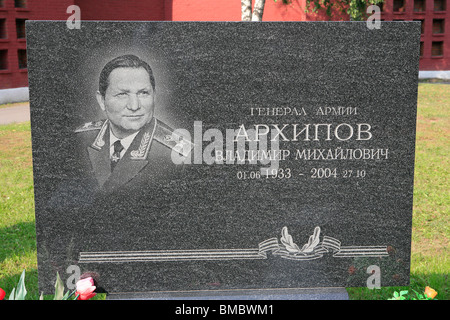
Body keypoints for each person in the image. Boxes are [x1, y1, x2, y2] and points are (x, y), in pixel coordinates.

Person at [75, 54, 192, 193]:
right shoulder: (81, 138)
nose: (134, 106)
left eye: (143, 93)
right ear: (101, 100)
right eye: (122, 94)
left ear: (154, 96)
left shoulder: (181, 155)